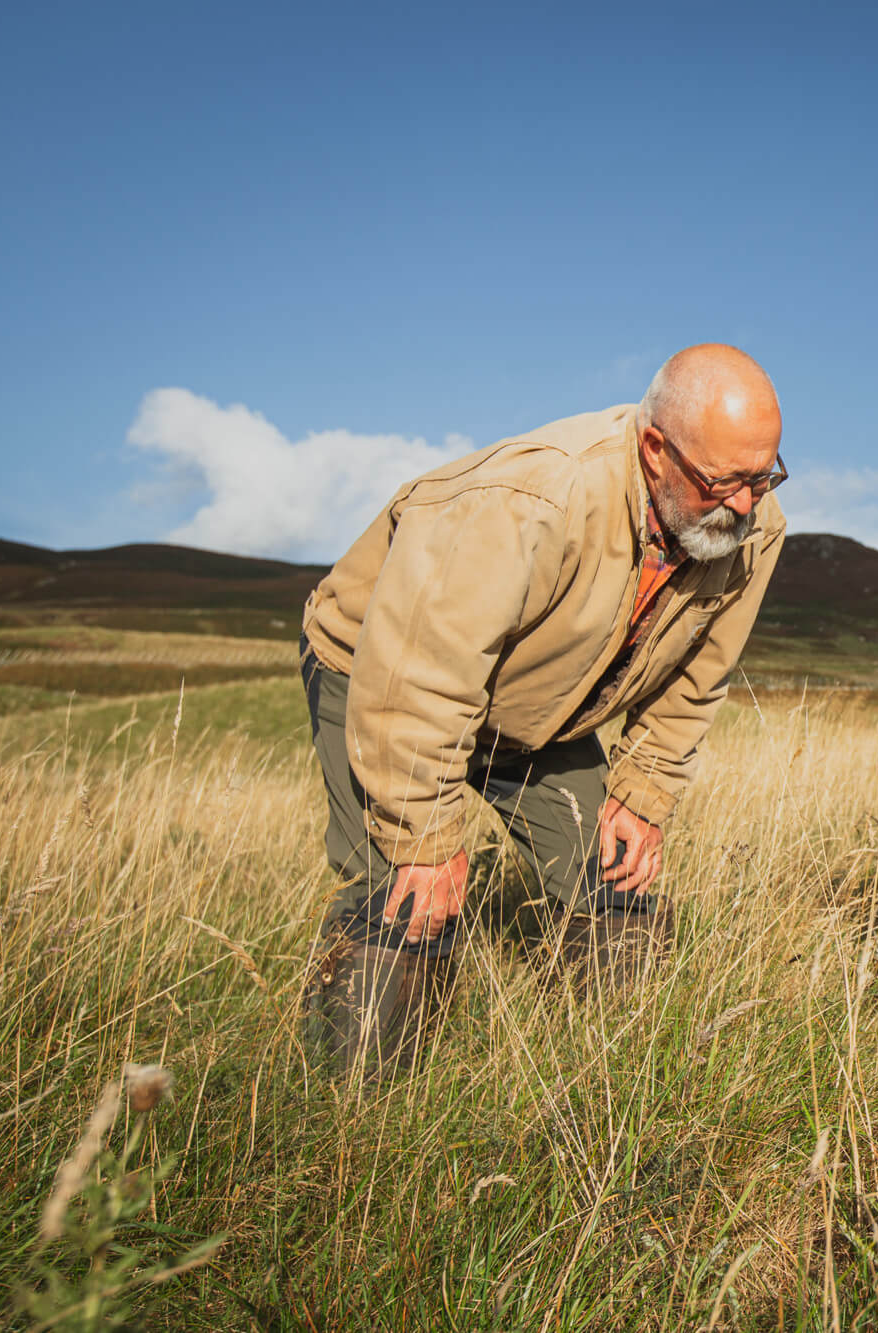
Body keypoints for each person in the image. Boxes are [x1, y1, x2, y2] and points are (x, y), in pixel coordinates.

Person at [298, 343, 787, 1077]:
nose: (746, 505)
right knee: (403, 905)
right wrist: (426, 837)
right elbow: (421, 679)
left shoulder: (753, 528)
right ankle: (351, 1119)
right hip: (382, 673)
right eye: (724, 482)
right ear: (656, 449)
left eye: (763, 475)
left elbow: (698, 677)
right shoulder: (530, 500)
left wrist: (644, 791)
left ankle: (620, 1083)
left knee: (617, 885)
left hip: (542, 708)